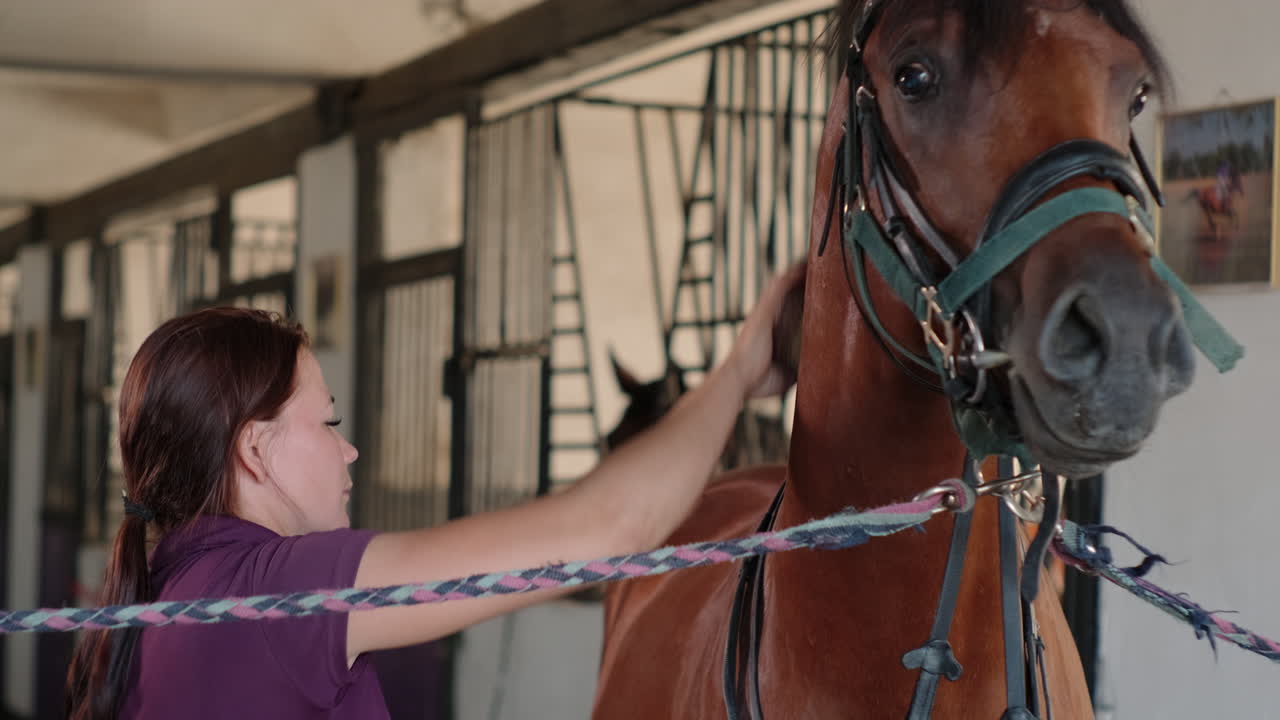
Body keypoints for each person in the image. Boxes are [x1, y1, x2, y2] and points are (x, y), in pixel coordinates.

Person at [65, 262, 806, 719]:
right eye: (328, 421)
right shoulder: (276, 594)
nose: (348, 449)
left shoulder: (167, 596)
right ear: (255, 451)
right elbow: (608, 525)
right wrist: (739, 372)